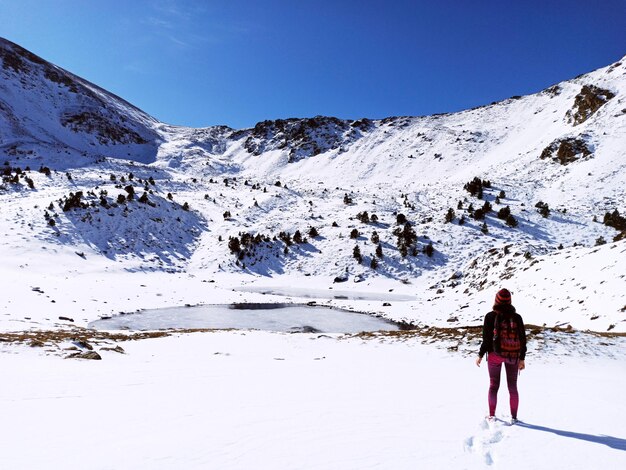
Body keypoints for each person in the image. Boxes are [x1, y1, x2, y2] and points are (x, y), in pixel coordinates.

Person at [475, 288, 526, 422]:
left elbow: (486, 340)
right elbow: (522, 339)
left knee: (493, 385)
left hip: (494, 355)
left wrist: (480, 355)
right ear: (510, 301)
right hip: (512, 356)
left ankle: (492, 415)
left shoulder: (490, 316)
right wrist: (522, 358)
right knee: (513, 386)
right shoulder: (517, 317)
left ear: (496, 300)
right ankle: (514, 417)